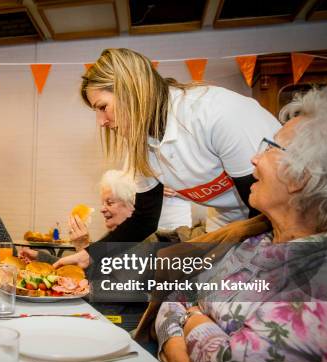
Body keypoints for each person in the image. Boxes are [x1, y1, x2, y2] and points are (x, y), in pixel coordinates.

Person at [150, 86, 327, 362]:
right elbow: (174, 300)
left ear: (300, 177)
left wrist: (193, 320)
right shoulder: (254, 243)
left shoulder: (324, 286)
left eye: (269, 147)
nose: (254, 157)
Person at [57, 48, 280, 269]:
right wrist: (90, 254)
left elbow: (265, 207)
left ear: (130, 89)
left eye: (103, 107)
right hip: (226, 223)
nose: (101, 122)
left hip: (280, 216)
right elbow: (144, 219)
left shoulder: (215, 114)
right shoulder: (142, 146)